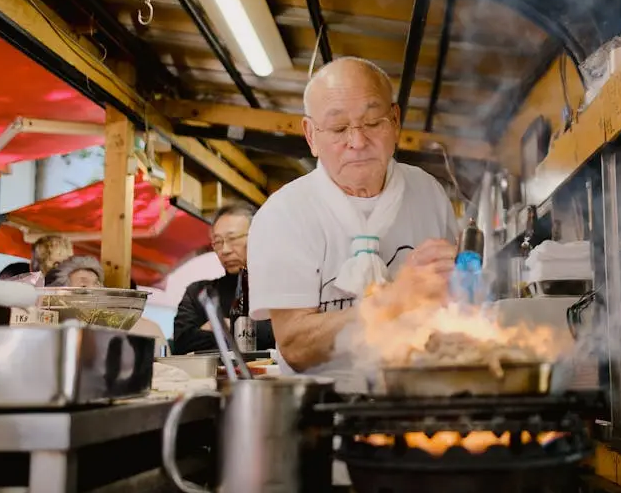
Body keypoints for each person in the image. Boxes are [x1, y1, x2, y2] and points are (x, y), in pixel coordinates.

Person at [248, 57, 459, 392]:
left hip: (420, 399)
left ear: (395, 120)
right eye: (338, 129)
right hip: (323, 410)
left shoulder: (429, 195)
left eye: (373, 123)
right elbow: (295, 346)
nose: (358, 142)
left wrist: (453, 285)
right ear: (310, 135)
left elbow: (454, 311)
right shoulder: (284, 214)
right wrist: (394, 301)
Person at [172, 203, 274, 355]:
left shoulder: (277, 286)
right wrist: (247, 331)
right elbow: (182, 343)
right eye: (218, 242)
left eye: (232, 239)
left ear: (257, 237)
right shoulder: (199, 292)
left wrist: (226, 327)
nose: (224, 250)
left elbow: (283, 335)